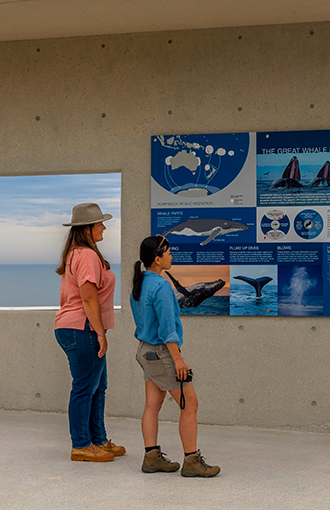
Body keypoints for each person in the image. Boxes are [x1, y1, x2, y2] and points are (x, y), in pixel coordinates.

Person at [130, 235, 220, 477]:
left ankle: (151, 457)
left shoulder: (140, 284)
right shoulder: (160, 287)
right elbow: (167, 329)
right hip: (162, 353)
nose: (172, 255)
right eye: (168, 252)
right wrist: (177, 359)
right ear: (157, 259)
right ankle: (191, 460)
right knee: (190, 404)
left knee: (152, 404)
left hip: (145, 351)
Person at [55, 203, 125, 463]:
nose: (104, 227)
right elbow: (88, 297)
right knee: (85, 387)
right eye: (100, 224)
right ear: (87, 229)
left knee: (98, 386)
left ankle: (98, 439)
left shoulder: (76, 253)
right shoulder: (86, 255)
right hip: (82, 327)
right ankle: (82, 445)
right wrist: (100, 333)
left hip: (75, 327)